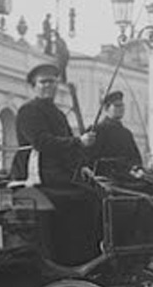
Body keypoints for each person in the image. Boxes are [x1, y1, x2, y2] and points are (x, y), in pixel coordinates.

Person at [11, 61, 101, 265]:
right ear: (33, 86)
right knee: (81, 199)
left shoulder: (58, 113)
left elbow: (69, 147)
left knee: (94, 195)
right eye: (42, 82)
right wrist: (79, 141)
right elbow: (42, 142)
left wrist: (83, 164)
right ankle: (66, 260)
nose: (48, 86)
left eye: (51, 82)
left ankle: (85, 258)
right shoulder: (29, 111)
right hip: (35, 177)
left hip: (57, 175)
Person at [87, 90, 144, 178]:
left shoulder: (126, 133)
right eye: (117, 106)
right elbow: (90, 159)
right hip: (106, 178)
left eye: (122, 105)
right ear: (106, 108)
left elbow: (136, 159)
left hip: (128, 177)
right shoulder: (97, 130)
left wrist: (137, 169)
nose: (121, 108)